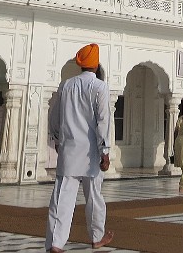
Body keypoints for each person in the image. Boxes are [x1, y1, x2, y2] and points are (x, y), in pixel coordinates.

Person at [45, 43, 114, 253]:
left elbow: (54, 115)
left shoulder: (66, 85)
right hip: (91, 152)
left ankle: (56, 243)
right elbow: (103, 121)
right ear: (96, 65)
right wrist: (105, 150)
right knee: (94, 197)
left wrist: (56, 138)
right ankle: (96, 236)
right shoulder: (100, 87)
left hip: (69, 149)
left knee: (62, 198)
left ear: (81, 64)